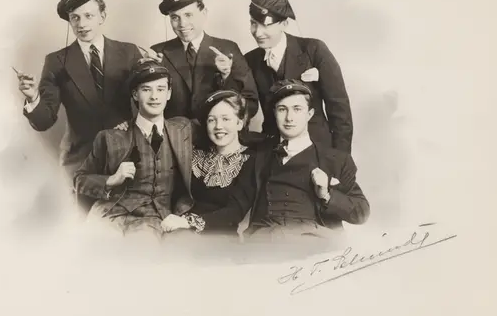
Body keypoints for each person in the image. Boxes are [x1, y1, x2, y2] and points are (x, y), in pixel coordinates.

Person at [165, 80, 369, 249]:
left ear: (309, 114)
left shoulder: (334, 160)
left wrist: (326, 194)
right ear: (274, 113)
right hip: (262, 243)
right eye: (282, 109)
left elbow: (361, 213)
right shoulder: (260, 155)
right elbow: (236, 205)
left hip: (312, 243)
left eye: (297, 109)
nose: (289, 117)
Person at [16, 0, 142, 212]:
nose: (81, 24)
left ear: (102, 16)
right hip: (81, 162)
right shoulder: (56, 61)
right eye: (75, 18)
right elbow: (44, 120)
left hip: (126, 156)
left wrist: (130, 123)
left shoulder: (129, 53)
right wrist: (34, 97)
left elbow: (150, 102)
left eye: (88, 16)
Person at [73, 58, 194, 236]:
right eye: (146, 89)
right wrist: (111, 180)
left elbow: (222, 124)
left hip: (153, 218)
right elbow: (79, 180)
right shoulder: (110, 137)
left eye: (160, 89)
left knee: (139, 249)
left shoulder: (183, 130)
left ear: (169, 93)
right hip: (108, 215)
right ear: (135, 94)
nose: (154, 96)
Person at [245, 0, 354, 153]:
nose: (257, 32)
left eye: (266, 25)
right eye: (253, 23)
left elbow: (339, 108)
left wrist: (340, 159)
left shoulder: (314, 50)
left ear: (284, 24)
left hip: (318, 149)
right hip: (273, 151)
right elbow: (242, 107)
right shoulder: (250, 60)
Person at [151, 0, 259, 123]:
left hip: (218, 133)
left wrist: (226, 77)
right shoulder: (158, 53)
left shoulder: (228, 49)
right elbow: (144, 104)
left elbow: (250, 103)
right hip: (173, 133)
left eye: (188, 15)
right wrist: (145, 74)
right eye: (175, 17)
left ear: (204, 14)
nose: (182, 24)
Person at [160, 90, 256, 235]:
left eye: (226, 119)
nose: (218, 126)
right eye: (212, 120)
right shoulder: (196, 156)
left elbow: (235, 212)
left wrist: (189, 222)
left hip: (220, 237)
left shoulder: (251, 160)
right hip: (181, 231)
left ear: (239, 123)